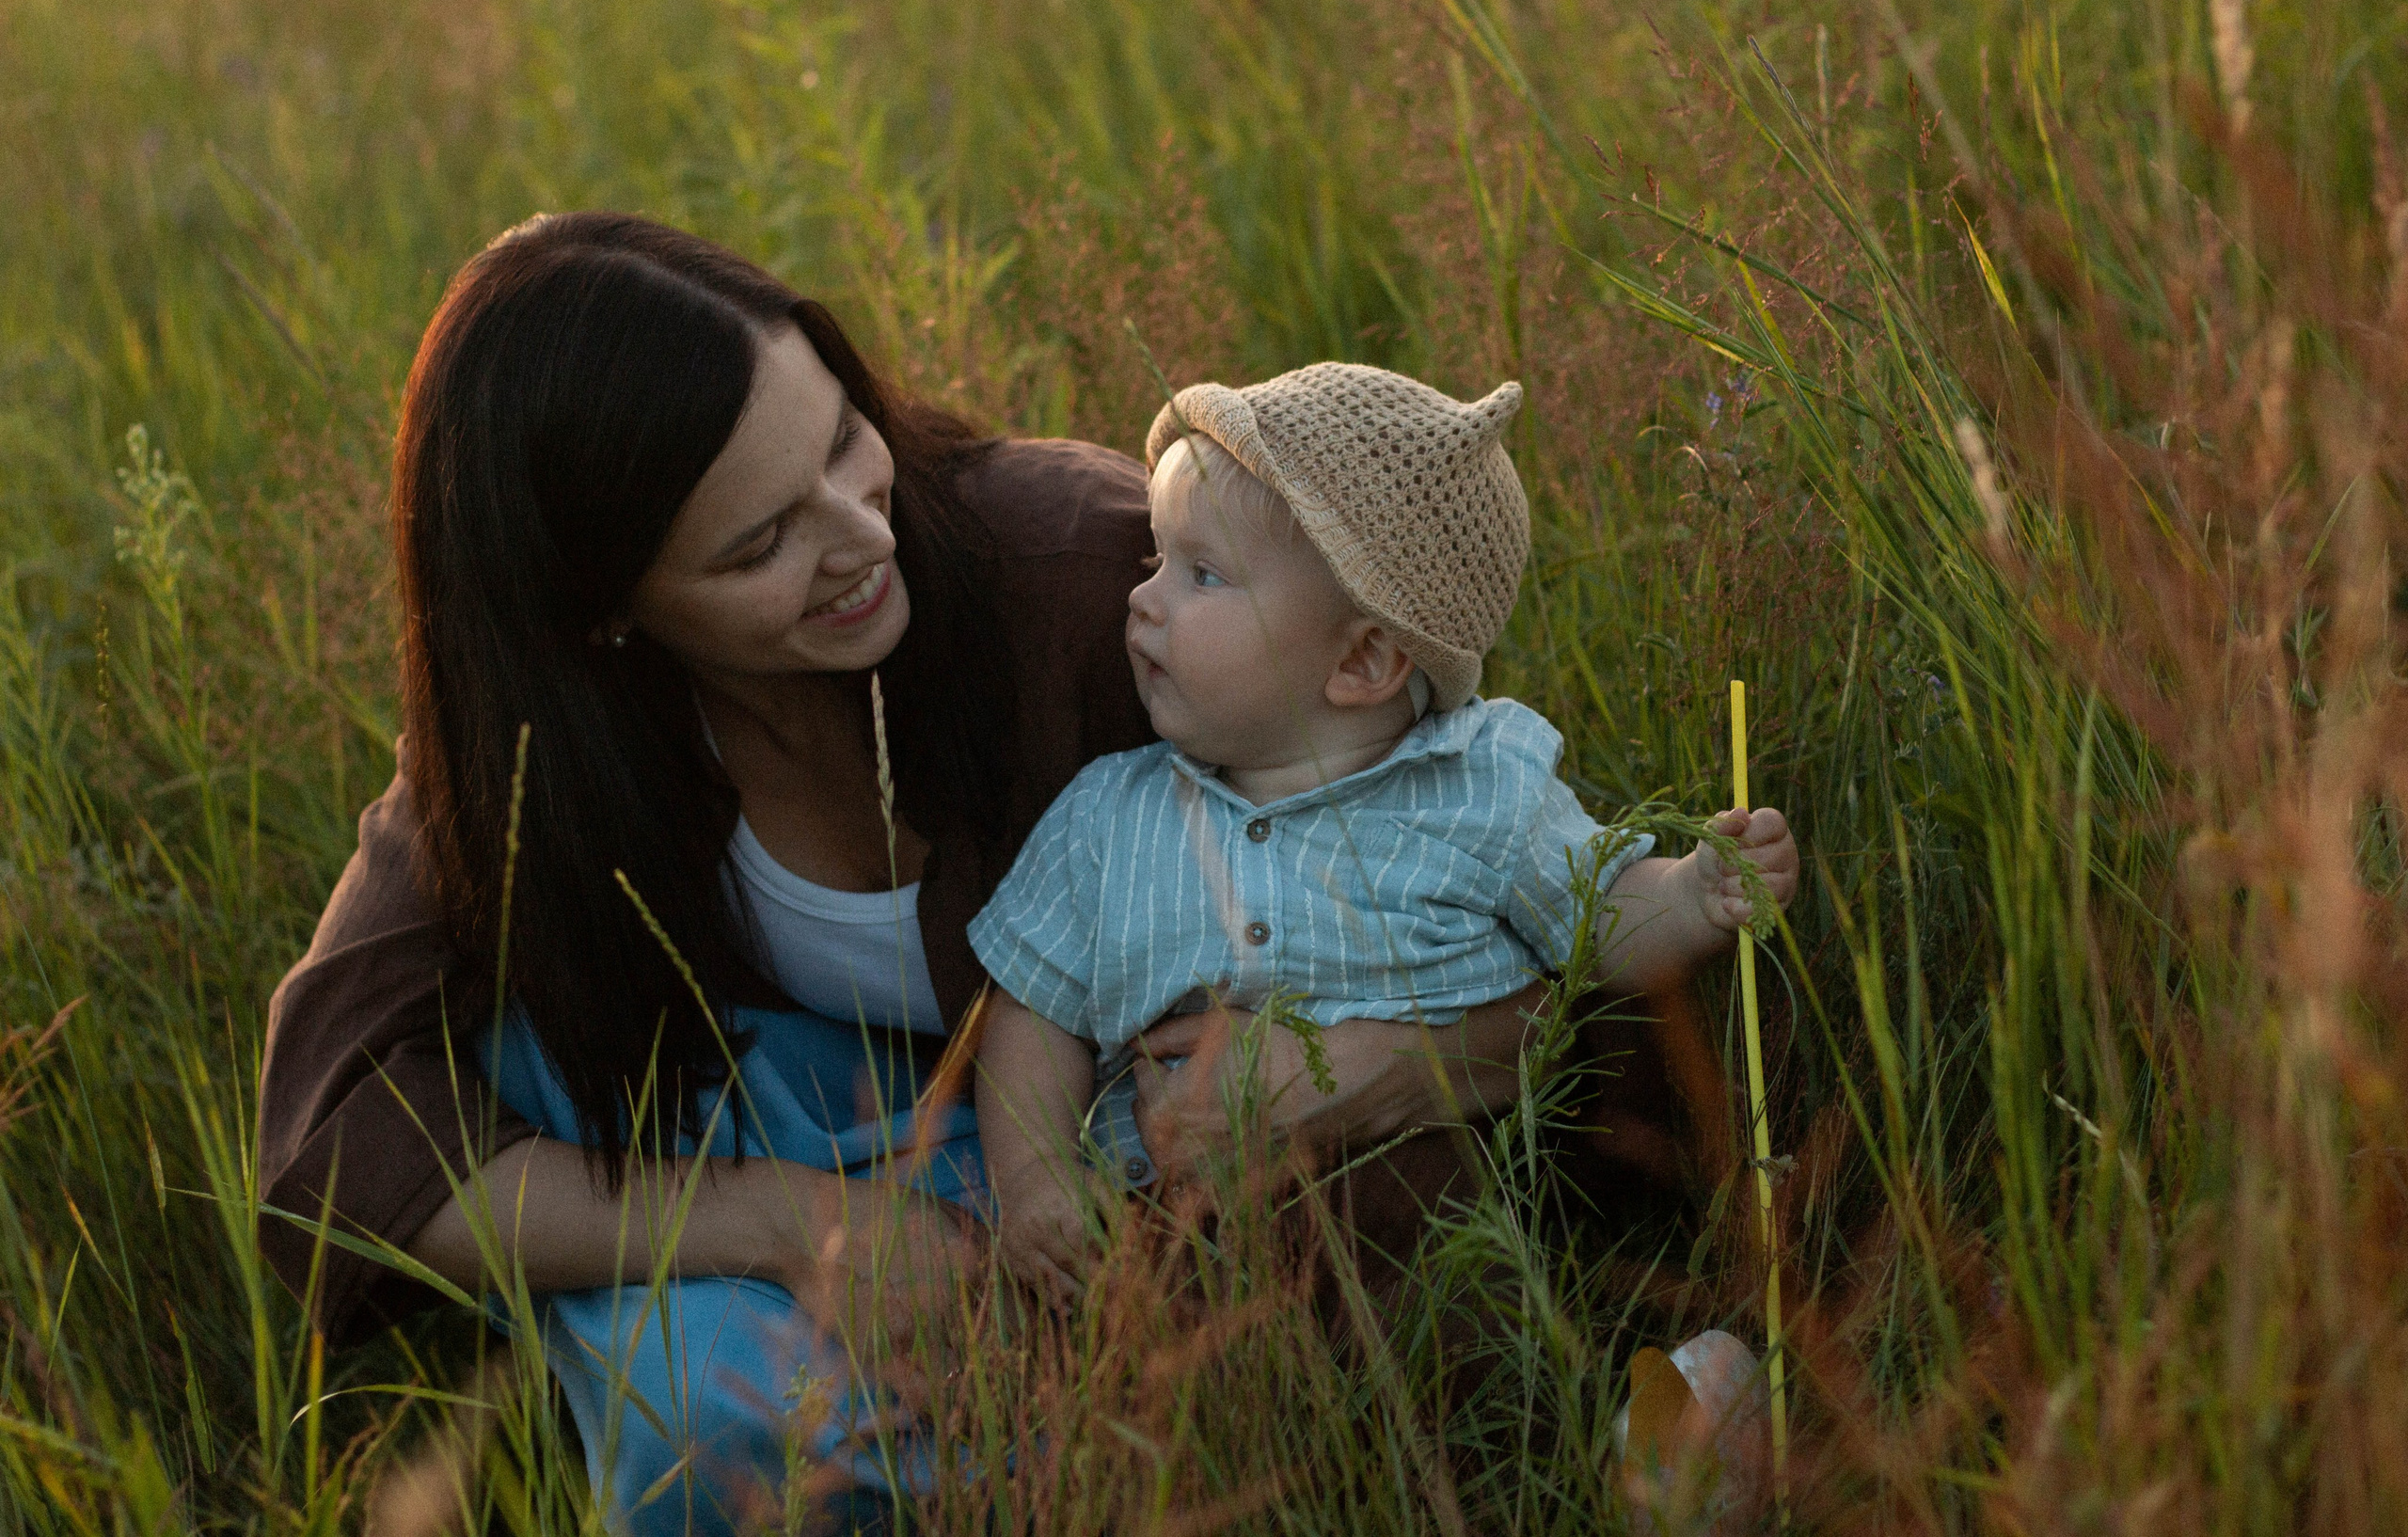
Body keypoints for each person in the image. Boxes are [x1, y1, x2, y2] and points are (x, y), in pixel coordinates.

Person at [254, 216, 1685, 1533]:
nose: (860, 536)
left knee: (1322, 1284)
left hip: (1151, 1164)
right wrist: (791, 1225)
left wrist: (1389, 1061)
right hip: (817, 1151)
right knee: (542, 1073)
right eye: (761, 541)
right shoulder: (540, 747)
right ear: (602, 613)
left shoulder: (1098, 577)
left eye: (843, 443)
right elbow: (329, 1140)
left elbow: (1515, 893)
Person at [969, 364, 1799, 1294]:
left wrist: (1692, 894)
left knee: (1433, 1222)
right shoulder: (1107, 817)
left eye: (1201, 574)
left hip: (1415, 1188)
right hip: (1165, 1215)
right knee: (1122, 1318)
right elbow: (1030, 1009)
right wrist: (1038, 1184)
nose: (1143, 600)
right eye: (1154, 560)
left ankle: (1614, 1403)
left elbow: (1598, 919)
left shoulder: (1477, 790)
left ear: (1363, 659)